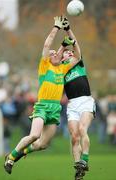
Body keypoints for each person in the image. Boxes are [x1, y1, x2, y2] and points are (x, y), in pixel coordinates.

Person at [4, 16, 81, 175]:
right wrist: (56, 27)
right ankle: (11, 157)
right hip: (43, 106)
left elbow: (78, 57)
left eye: (56, 53)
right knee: (34, 135)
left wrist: (71, 41)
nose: (53, 53)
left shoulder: (62, 69)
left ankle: (22, 153)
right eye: (51, 53)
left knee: (43, 144)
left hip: (55, 109)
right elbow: (47, 45)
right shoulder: (45, 66)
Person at [61, 17, 96, 180]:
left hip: (86, 101)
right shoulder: (61, 72)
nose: (70, 52)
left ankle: (85, 159)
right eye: (67, 52)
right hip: (72, 104)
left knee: (82, 130)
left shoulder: (78, 63)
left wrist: (68, 29)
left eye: (71, 51)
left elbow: (76, 44)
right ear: (62, 58)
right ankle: (78, 170)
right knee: (74, 137)